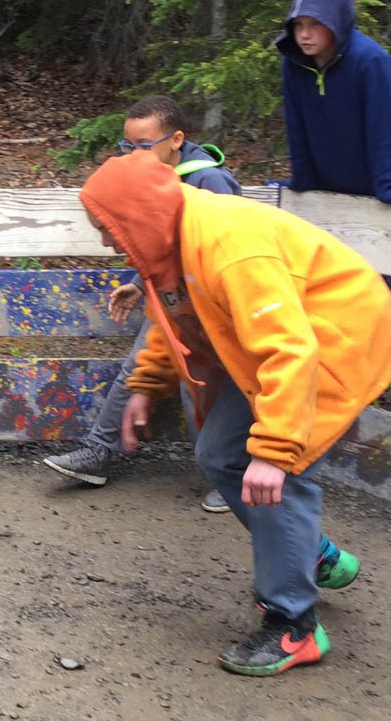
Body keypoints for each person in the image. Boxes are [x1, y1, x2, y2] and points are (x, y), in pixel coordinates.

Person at [80, 151, 391, 676]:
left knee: (280, 477)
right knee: (219, 455)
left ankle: (294, 626)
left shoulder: (229, 247)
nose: (105, 241)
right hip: (273, 350)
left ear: (137, 216)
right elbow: (177, 317)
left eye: (108, 228)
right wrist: (145, 384)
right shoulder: (170, 239)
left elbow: (291, 350)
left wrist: (277, 450)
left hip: (335, 342)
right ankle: (313, 555)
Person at [43, 96, 240, 513]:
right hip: (174, 302)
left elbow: (226, 248)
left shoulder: (208, 181)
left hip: (213, 310)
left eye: (144, 145)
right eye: (127, 146)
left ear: (176, 140)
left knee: (201, 387)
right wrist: (138, 282)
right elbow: (159, 243)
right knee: (136, 368)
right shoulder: (151, 180)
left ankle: (225, 476)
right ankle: (98, 452)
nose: (134, 155)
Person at [274, 0, 391, 204]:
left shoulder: (370, 60)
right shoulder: (294, 64)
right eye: (298, 25)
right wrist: (302, 179)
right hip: (325, 190)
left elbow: (385, 127)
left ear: (336, 21)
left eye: (315, 23)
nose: (304, 34)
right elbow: (296, 125)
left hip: (372, 189)